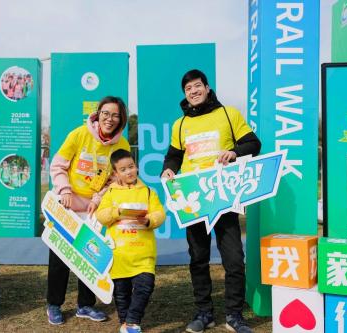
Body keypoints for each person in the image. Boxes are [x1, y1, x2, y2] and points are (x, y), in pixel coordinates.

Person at [161, 69, 261, 333]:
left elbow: (253, 144)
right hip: (194, 200)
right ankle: (204, 313)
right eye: (187, 89)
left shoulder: (229, 114)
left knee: (234, 259)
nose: (193, 92)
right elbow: (173, 156)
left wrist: (234, 152)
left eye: (197, 86)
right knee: (198, 258)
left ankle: (234, 315)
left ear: (207, 87)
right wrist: (168, 169)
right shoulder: (180, 124)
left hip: (224, 197)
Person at [47, 96, 130, 325]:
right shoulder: (78, 134)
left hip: (94, 208)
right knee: (60, 256)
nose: (109, 119)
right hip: (67, 204)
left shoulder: (121, 145)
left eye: (115, 115)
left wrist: (99, 197)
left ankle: (85, 305)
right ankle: (54, 304)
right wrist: (64, 190)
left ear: (120, 119)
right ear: (98, 114)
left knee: (91, 256)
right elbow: (58, 165)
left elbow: (117, 179)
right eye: (105, 113)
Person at [96, 149, 165, 333]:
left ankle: (132, 321)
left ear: (137, 166)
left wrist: (149, 220)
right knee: (121, 293)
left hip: (143, 254)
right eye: (123, 169)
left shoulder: (148, 192)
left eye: (132, 167)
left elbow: (160, 213)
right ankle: (125, 322)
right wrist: (116, 212)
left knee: (145, 286)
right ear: (116, 173)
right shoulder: (110, 193)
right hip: (119, 254)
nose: (129, 172)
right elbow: (101, 216)